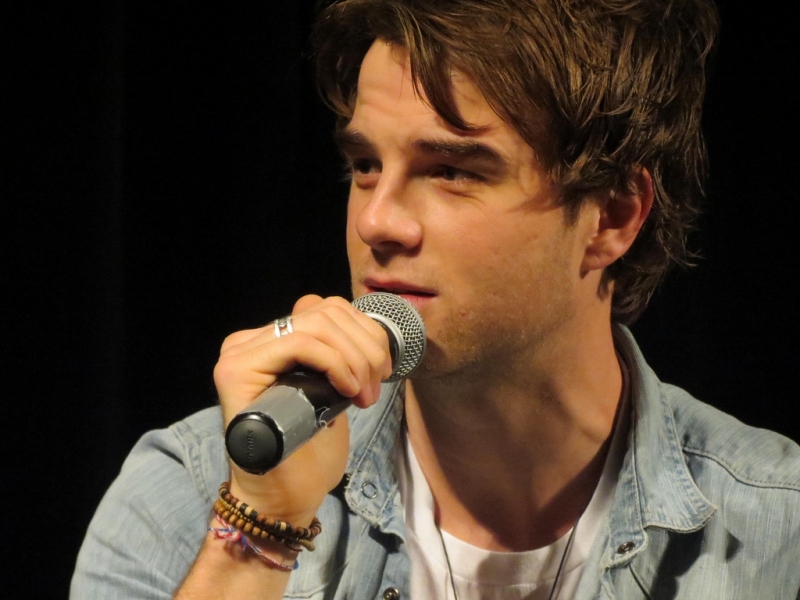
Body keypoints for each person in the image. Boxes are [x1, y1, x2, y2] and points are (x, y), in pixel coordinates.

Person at [72, 0, 800, 598]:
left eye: (451, 170)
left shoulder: (777, 531)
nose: (375, 221)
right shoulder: (191, 495)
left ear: (611, 216)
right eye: (365, 164)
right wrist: (259, 532)